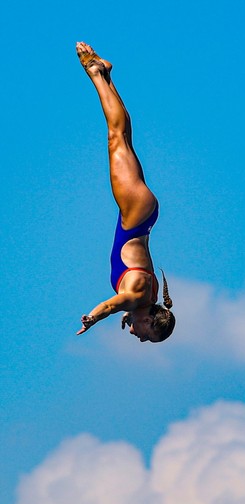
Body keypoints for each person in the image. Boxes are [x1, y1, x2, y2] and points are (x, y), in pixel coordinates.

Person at [75, 42, 175, 343]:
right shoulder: (137, 298)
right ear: (149, 321)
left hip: (143, 214)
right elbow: (111, 303)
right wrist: (93, 317)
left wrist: (127, 313)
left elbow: (128, 302)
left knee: (123, 139)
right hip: (134, 213)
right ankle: (96, 73)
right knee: (116, 137)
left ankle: (105, 75)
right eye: (147, 335)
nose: (141, 339)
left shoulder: (148, 297)